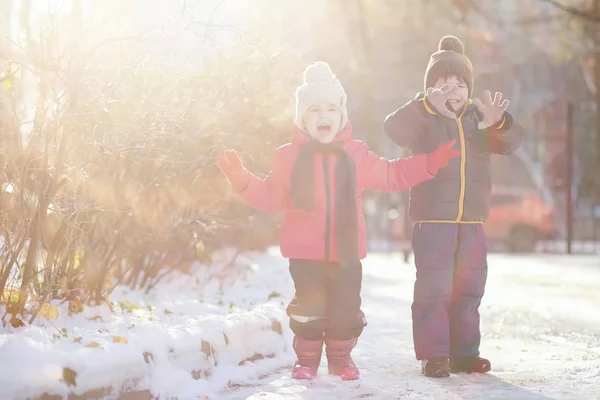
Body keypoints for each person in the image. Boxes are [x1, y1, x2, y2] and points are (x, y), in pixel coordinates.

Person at [218, 61, 460, 380]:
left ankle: (341, 359)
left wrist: (429, 163)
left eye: (331, 109)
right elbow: (271, 197)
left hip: (346, 253)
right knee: (308, 309)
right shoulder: (288, 157)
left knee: (345, 309)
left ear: (342, 115)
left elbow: (391, 174)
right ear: (302, 118)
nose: (323, 117)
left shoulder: (355, 154)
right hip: (304, 254)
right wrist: (243, 180)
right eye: (315, 110)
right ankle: (306, 360)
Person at [383, 36, 525, 378]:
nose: (453, 90)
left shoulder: (479, 118)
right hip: (433, 221)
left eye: (460, 83)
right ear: (430, 88)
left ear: (469, 88)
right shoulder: (424, 117)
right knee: (434, 288)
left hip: (472, 223)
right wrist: (424, 106)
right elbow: (393, 129)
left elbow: (513, 143)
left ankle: (464, 353)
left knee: (469, 288)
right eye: (443, 84)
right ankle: (434, 355)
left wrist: (499, 122)